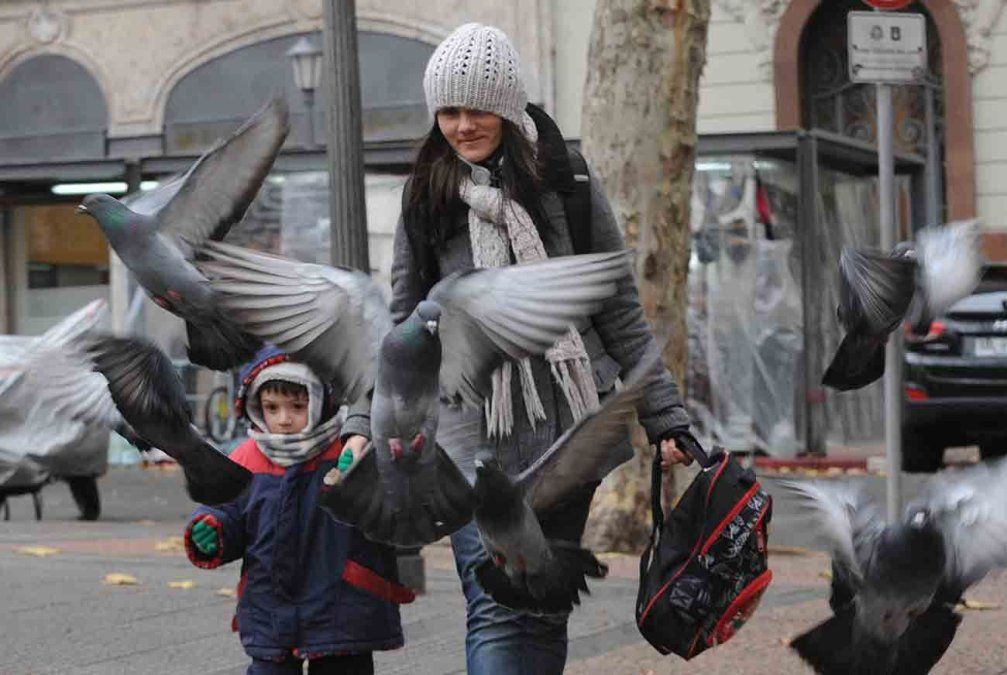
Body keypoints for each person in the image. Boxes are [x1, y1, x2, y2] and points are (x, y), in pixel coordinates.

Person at [382, 22, 699, 674]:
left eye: (476, 109)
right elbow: (402, 323)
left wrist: (664, 415)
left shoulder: (567, 179)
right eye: (448, 111)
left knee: (544, 603)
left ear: (505, 104)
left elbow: (616, 306)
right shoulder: (427, 192)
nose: (461, 125)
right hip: (470, 436)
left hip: (566, 432)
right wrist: (380, 425)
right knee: (496, 604)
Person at [183, 347, 407, 675]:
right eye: (272, 408)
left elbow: (389, 508)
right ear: (256, 406)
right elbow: (227, 507)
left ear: (320, 402)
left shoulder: (347, 450)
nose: (284, 419)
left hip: (340, 603)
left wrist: (372, 476)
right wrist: (214, 527)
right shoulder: (247, 457)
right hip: (269, 604)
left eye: (298, 407)